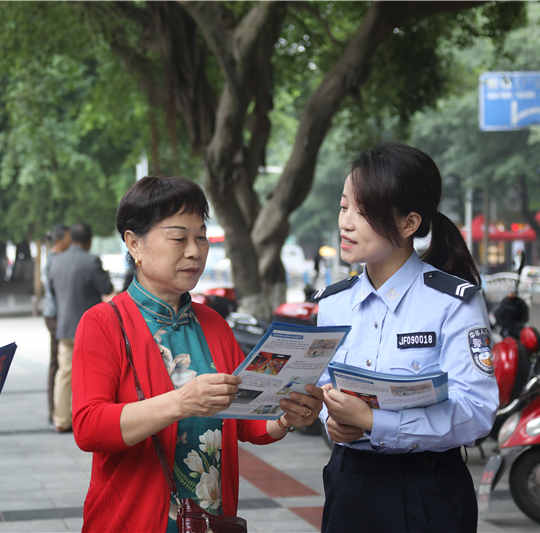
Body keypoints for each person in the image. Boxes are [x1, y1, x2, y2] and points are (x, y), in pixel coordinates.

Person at [72, 176, 324, 532]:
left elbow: (246, 419)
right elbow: (89, 428)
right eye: (178, 238)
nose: (195, 250)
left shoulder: (214, 323)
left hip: (209, 519)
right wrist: (181, 402)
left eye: (201, 236)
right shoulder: (102, 323)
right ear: (134, 244)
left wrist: (287, 417)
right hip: (134, 520)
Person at [314, 143, 498, 533]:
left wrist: (373, 421)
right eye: (344, 206)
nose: (346, 223)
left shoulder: (452, 303)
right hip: (349, 482)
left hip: (427, 489)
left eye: (363, 212)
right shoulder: (333, 304)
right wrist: (333, 420)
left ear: (408, 223)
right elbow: (325, 391)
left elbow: (477, 410)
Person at [48, 222, 113, 433]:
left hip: (65, 326)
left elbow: (52, 292)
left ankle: (61, 419)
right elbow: (106, 288)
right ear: (89, 241)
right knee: (93, 375)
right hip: (89, 329)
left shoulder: (56, 262)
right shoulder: (91, 261)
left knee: (64, 373)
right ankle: (90, 419)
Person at [41, 224, 71, 424]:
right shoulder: (54, 260)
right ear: (60, 239)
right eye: (69, 237)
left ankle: (57, 408)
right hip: (55, 316)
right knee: (56, 362)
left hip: (57, 314)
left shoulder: (56, 259)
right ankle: (54, 409)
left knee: (58, 362)